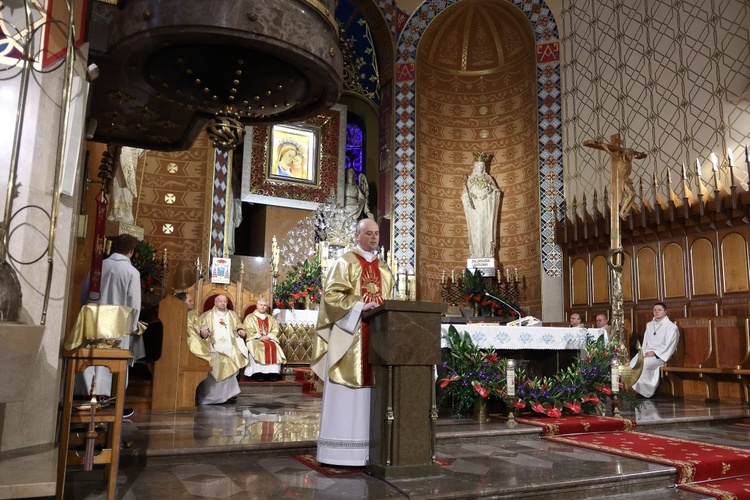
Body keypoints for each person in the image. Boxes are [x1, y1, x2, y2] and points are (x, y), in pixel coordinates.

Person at [311, 218, 394, 466]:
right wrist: (359, 306)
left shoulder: (385, 268)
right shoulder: (344, 262)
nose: (374, 237)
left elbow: (390, 299)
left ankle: (373, 451)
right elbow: (331, 296)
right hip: (350, 336)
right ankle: (340, 452)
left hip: (378, 336)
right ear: (357, 236)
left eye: (377, 233)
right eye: (368, 233)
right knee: (347, 394)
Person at [76, 233, 143, 418]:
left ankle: (87, 401)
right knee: (113, 364)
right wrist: (133, 326)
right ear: (131, 251)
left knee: (92, 359)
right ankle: (112, 404)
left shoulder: (99, 266)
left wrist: (89, 311)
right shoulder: (131, 272)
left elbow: (84, 293)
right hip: (118, 324)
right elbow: (134, 304)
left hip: (95, 320)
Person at [196, 294, 248, 405]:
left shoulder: (232, 315)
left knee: (232, 362)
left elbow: (239, 325)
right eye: (220, 301)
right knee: (218, 364)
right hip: (214, 346)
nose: (223, 303)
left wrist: (241, 329)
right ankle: (217, 396)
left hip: (230, 346)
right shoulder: (207, 315)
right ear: (215, 303)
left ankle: (228, 394)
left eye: (225, 301)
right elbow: (200, 325)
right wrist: (203, 329)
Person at [629, 302, 679, 398]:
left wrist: (655, 353)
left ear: (665, 312)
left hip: (660, 355)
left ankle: (645, 392)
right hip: (647, 353)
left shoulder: (671, 327)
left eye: (659, 310)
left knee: (643, 365)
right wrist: (643, 352)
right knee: (632, 364)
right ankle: (635, 390)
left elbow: (670, 345)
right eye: (654, 310)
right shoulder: (649, 325)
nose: (656, 312)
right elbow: (646, 342)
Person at [461, 152, 502, 259]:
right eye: (478, 165)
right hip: (474, 209)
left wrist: (490, 193)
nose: (480, 167)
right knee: (476, 228)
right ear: (475, 166)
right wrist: (471, 197)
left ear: (484, 167)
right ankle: (476, 253)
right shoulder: (470, 179)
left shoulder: (488, 179)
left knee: (486, 227)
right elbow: (464, 194)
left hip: (486, 207)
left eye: (482, 166)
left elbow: (496, 192)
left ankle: (488, 253)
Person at [243, 298, 287, 381]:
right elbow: (248, 329)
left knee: (274, 346)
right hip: (255, 339)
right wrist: (259, 336)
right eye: (261, 305)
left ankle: (273, 373)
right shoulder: (250, 317)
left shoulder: (270, 318)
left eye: (264, 305)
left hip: (269, 338)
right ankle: (257, 373)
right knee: (257, 346)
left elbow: (275, 329)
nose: (263, 307)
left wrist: (269, 336)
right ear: (257, 305)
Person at [175, 292, 211, 365]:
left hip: (192, 345)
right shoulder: (173, 315)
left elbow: (200, 327)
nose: (193, 303)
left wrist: (204, 331)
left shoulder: (193, 314)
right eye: (190, 301)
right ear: (182, 303)